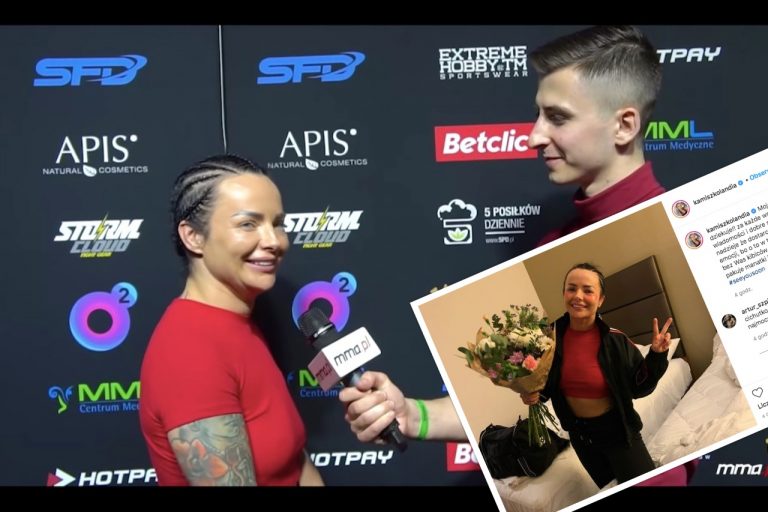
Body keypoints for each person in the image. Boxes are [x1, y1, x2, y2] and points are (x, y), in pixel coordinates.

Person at [342, 24, 665, 445]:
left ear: (624, 125)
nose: (533, 136)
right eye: (538, 115)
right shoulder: (552, 246)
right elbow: (531, 394)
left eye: (557, 117)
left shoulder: (690, 232)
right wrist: (413, 415)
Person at [139, 155, 323, 486]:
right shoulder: (189, 350)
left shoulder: (238, 320)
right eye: (248, 224)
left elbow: (295, 461)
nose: (273, 241)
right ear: (194, 237)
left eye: (277, 224)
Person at [517, 263, 671, 486]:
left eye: (588, 290)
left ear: (600, 300)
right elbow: (546, 383)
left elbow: (639, 387)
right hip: (581, 437)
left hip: (617, 432)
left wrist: (656, 355)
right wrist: (532, 394)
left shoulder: (615, 340)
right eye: (571, 289)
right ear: (564, 294)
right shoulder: (548, 339)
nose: (578, 296)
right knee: (608, 487)